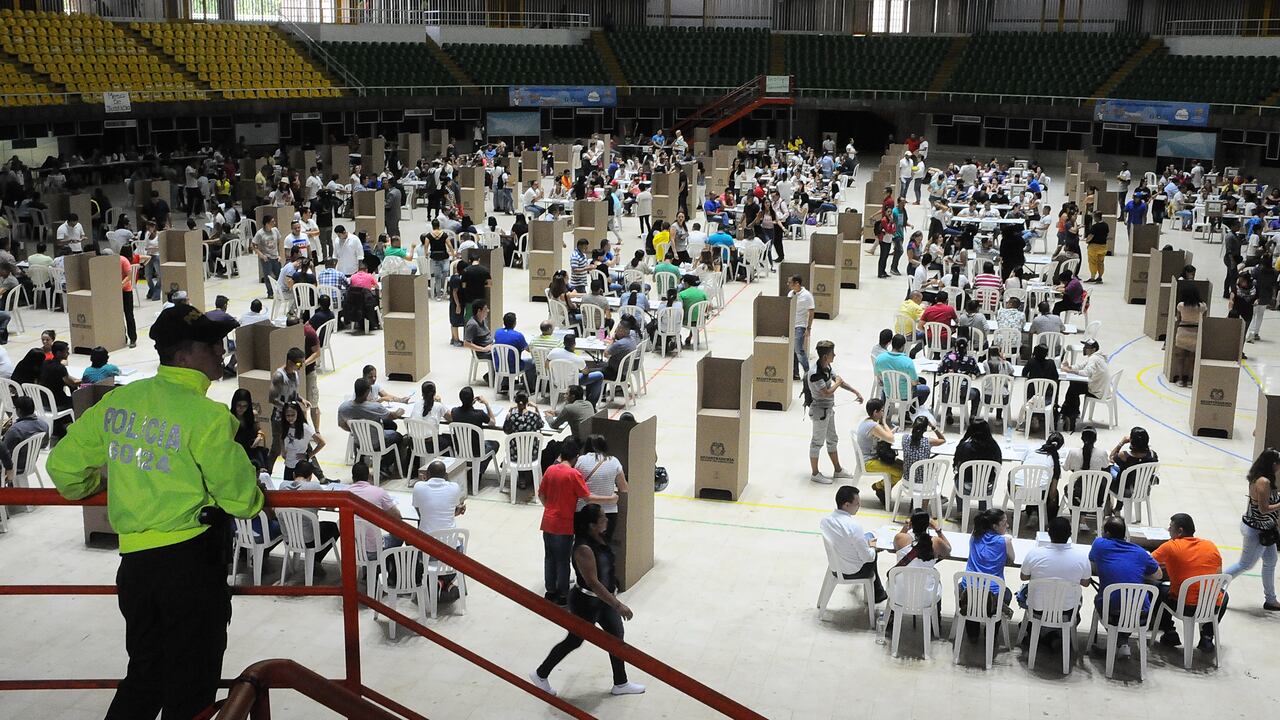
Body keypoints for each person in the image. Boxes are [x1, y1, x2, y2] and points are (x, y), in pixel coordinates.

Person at [47, 304, 264, 719]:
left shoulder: (121, 401)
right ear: (183, 356)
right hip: (191, 568)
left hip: (136, 570)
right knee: (192, 688)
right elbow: (242, 500)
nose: (220, 350)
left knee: (145, 676)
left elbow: (63, 468)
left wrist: (96, 486)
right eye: (210, 345)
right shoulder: (208, 418)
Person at [531, 503, 645, 698]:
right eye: (602, 517)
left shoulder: (598, 537)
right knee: (574, 641)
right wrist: (618, 605)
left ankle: (621, 682)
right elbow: (593, 583)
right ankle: (541, 674)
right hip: (587, 602)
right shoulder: (583, 548)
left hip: (604, 600)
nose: (606, 520)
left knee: (616, 637)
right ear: (592, 525)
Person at [537, 439, 616, 606]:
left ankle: (550, 591)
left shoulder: (550, 470)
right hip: (563, 524)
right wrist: (610, 499)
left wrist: (550, 507)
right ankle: (562, 594)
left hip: (548, 521)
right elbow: (587, 498)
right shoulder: (573, 474)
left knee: (549, 557)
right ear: (576, 457)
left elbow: (541, 494)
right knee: (562, 560)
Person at [1152, 513, 1228, 653]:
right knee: (1224, 595)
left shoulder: (1171, 546)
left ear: (1180, 531)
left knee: (1157, 589)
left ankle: (1169, 631)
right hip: (1210, 606)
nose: (1168, 529)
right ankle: (1207, 636)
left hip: (1185, 606)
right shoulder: (1210, 546)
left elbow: (1148, 564)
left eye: (1171, 527)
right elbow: (1219, 576)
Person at [1089, 516, 1161, 655]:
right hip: (1141, 615)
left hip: (1113, 614)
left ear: (1107, 533)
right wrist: (1137, 572)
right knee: (1127, 604)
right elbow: (1158, 575)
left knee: (1101, 600)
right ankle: (1122, 642)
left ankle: (1118, 642)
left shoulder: (1099, 544)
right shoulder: (1140, 552)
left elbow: (1092, 560)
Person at [1225, 448, 1280, 610]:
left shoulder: (1261, 477)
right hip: (1256, 530)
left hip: (1265, 529)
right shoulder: (1263, 482)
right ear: (1273, 464)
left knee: (1270, 561)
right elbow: (1263, 509)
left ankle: (1270, 599)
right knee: (1245, 564)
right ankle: (1214, 587)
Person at [805, 340, 864, 484]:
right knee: (817, 442)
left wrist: (855, 391)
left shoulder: (826, 367)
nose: (835, 355)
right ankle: (815, 473)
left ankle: (838, 470)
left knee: (832, 439)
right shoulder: (815, 374)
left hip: (828, 410)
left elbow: (839, 381)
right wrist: (837, 383)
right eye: (832, 353)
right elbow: (826, 392)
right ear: (825, 356)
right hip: (820, 412)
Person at [819, 485, 887, 603]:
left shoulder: (825, 521)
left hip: (836, 563)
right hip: (852, 570)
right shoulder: (853, 526)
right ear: (846, 505)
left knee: (868, 536)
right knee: (873, 554)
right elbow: (868, 557)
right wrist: (873, 548)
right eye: (857, 504)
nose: (859, 507)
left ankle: (878, 591)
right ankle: (877, 593)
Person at [277, 460, 340, 575]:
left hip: (289, 537)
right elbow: (329, 506)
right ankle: (315, 561)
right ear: (311, 476)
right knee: (333, 527)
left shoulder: (283, 485)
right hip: (309, 539)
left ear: (293, 474)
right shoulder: (314, 487)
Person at [575, 434, 629, 543]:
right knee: (603, 546)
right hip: (608, 511)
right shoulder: (614, 461)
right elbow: (624, 488)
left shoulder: (580, 460)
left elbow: (575, 484)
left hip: (584, 510)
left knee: (583, 544)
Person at [444, 386, 500, 481]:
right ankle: (478, 470)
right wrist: (486, 404)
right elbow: (493, 422)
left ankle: (472, 469)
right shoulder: (479, 414)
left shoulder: (454, 411)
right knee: (494, 444)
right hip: (477, 452)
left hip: (460, 450)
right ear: (472, 399)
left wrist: (469, 404)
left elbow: (452, 417)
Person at [952, 419, 1002, 515]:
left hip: (966, 486)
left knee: (959, 478)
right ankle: (983, 510)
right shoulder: (994, 447)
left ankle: (960, 511)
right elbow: (998, 464)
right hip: (986, 487)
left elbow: (957, 465)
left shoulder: (964, 446)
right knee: (983, 481)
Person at [1059, 339, 1108, 431]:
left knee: (1074, 388)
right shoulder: (1095, 357)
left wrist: (1071, 371)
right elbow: (1081, 366)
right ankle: (1071, 412)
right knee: (1074, 385)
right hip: (1098, 386)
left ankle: (1071, 415)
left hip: (1096, 389)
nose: (1084, 349)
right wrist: (1069, 367)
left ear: (1093, 349)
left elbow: (1087, 372)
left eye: (1087, 347)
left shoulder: (1094, 358)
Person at [0, 396, 48, 482]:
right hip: (30, 463)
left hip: (13, 467)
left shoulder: (15, 430)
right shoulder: (44, 425)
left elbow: (4, 452)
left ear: (18, 410)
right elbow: (44, 445)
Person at [278, 400, 325, 482]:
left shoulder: (305, 428)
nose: (290, 418)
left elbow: (321, 443)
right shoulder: (285, 426)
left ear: (298, 414)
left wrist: (309, 455)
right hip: (289, 464)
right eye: (288, 415)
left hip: (301, 467)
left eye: (293, 415)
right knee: (287, 487)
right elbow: (281, 437)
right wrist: (283, 451)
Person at [230, 388, 269, 470]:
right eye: (239, 405)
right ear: (234, 404)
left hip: (252, 451)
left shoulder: (253, 415)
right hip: (236, 454)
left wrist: (259, 437)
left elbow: (258, 429)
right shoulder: (229, 417)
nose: (241, 408)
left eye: (245, 406)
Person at [787, 274, 815, 379]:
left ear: (797, 283)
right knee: (793, 350)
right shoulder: (790, 294)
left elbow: (811, 311)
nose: (788, 284)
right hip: (791, 325)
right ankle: (795, 373)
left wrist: (808, 328)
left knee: (799, 350)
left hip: (800, 326)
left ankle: (808, 372)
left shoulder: (807, 295)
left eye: (790, 282)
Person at [1084, 212, 1109, 283]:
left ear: (1097, 217)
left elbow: (1091, 236)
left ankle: (1092, 277)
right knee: (1101, 262)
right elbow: (1107, 234)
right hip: (1103, 246)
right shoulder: (1106, 225)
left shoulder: (1095, 226)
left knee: (1092, 261)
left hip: (1094, 246)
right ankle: (1100, 276)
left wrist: (1087, 241)